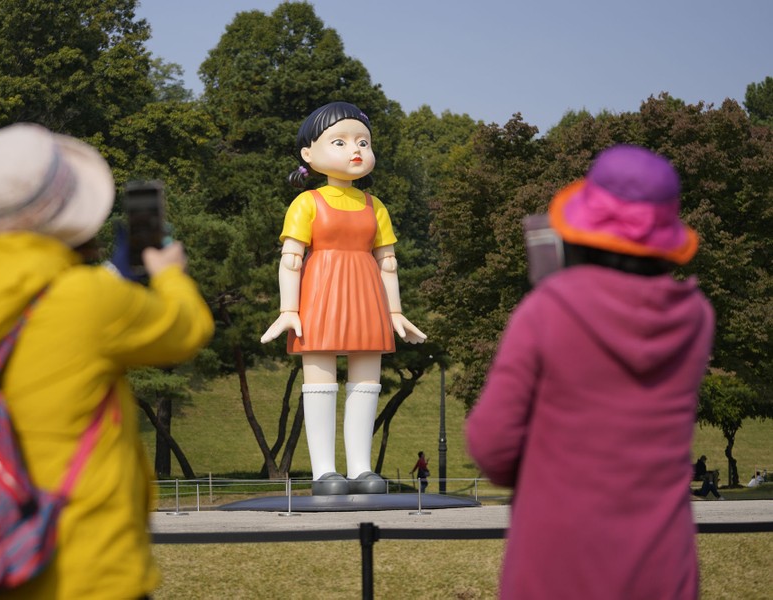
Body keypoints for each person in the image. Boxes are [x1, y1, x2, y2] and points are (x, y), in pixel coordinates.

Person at [0, 123, 215, 599]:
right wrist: (169, 276)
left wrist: (111, 283)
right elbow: (186, 330)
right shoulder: (90, 301)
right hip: (84, 566)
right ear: (71, 214)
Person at [465, 145, 715, 599]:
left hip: (557, 563)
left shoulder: (548, 309)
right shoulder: (696, 317)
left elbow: (492, 446)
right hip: (665, 564)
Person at [260, 102, 426, 495]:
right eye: (340, 141)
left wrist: (396, 312)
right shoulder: (307, 203)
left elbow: (388, 264)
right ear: (308, 155)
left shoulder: (375, 206)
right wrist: (288, 310)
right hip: (321, 296)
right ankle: (323, 471)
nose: (356, 150)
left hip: (367, 297)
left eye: (363, 142)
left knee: (366, 381)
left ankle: (361, 468)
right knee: (320, 379)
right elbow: (291, 259)